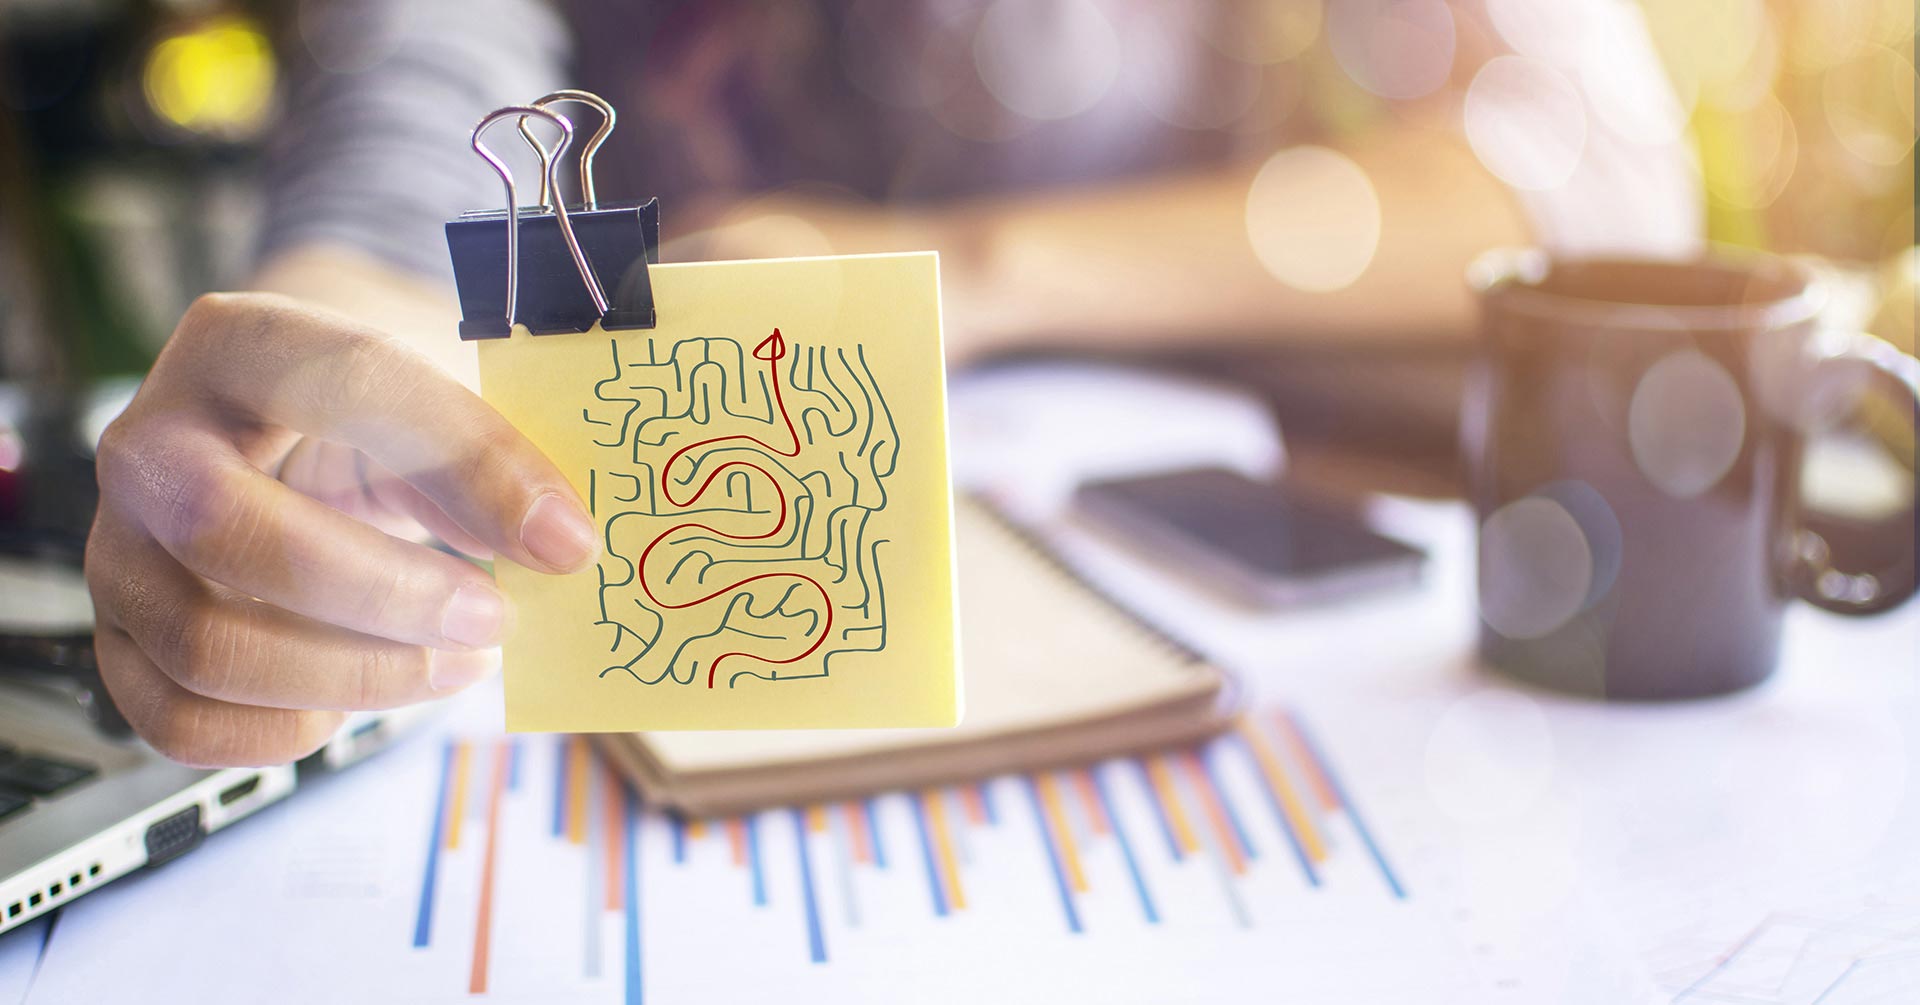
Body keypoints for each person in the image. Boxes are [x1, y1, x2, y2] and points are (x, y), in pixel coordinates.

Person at [86, 0, 1700, 765]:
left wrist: (964, 281)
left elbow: (1589, 178)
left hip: (1220, 604)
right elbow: (423, 85)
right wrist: (323, 325)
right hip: (676, 618)